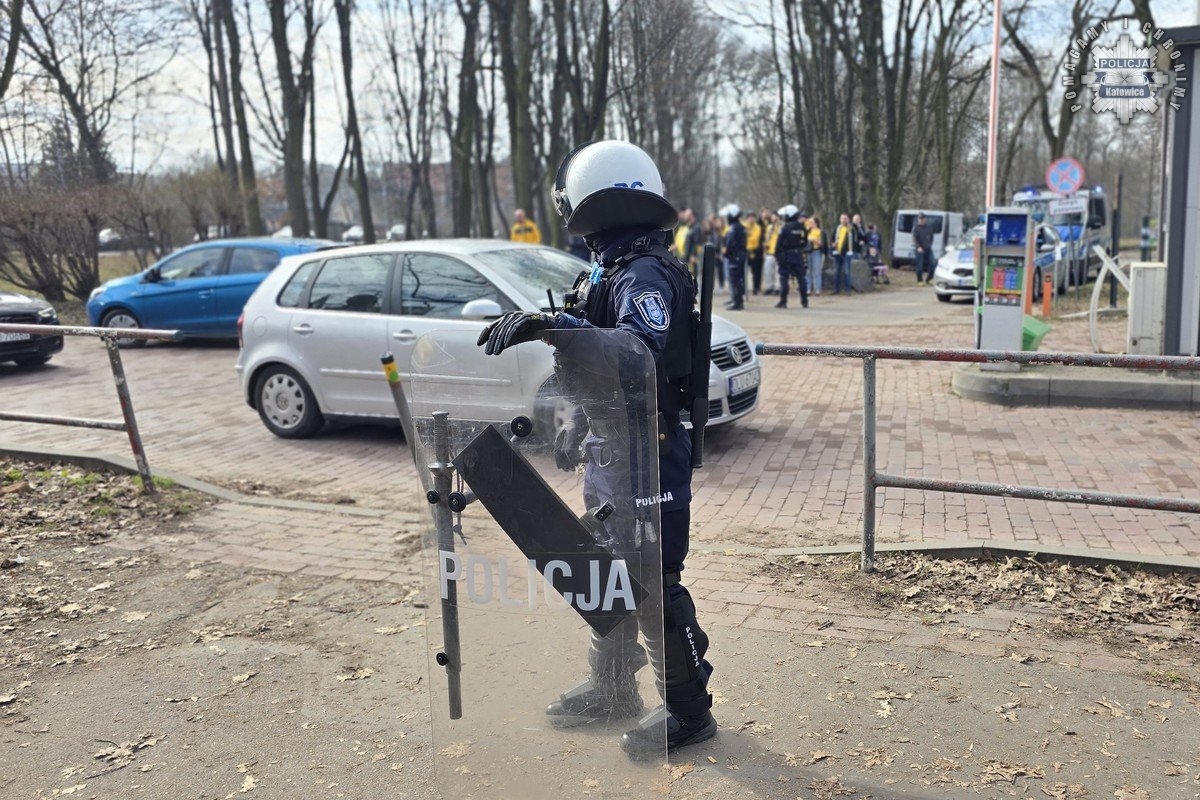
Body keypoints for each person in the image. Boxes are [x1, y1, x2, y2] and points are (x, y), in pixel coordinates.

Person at [476, 139, 716, 759]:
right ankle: (613, 690)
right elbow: (589, 368)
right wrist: (569, 421)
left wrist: (554, 325)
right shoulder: (611, 269)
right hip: (614, 451)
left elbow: (637, 351)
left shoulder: (646, 273)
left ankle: (689, 712)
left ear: (590, 198)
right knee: (597, 569)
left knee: (651, 585)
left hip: (648, 454)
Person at [774, 204, 808, 309]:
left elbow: (778, 243)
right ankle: (804, 301)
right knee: (801, 279)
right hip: (798, 255)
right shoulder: (801, 227)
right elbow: (805, 242)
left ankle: (783, 301)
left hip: (786, 256)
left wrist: (778, 256)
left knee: (784, 278)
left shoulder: (785, 227)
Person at [722, 204, 747, 310]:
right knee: (738, 279)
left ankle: (737, 303)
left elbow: (730, 243)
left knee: (735, 280)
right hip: (739, 256)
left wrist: (726, 253)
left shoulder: (734, 228)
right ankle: (736, 300)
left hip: (735, 257)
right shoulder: (740, 226)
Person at [832, 213, 855, 294]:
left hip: (847, 253)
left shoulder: (851, 229)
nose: (843, 220)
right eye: (842, 218)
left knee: (847, 271)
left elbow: (854, 240)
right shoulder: (837, 228)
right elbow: (833, 238)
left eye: (845, 218)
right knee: (836, 271)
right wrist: (833, 244)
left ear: (848, 219)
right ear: (840, 219)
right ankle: (836, 289)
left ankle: (847, 289)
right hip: (838, 252)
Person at [744, 210, 763, 296]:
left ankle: (756, 287)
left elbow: (755, 239)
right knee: (744, 270)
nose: (751, 219)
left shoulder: (758, 228)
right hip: (745, 251)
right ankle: (744, 288)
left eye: (753, 217)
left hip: (755, 251)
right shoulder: (744, 226)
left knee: (756, 271)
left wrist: (748, 237)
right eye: (749, 217)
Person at [913, 212, 934, 285]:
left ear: (925, 219)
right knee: (919, 265)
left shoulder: (929, 227)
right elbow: (914, 239)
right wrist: (918, 247)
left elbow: (931, 237)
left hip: (928, 248)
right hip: (920, 249)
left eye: (922, 218)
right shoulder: (916, 228)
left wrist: (930, 244)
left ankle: (929, 279)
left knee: (933, 263)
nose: (921, 220)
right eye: (920, 219)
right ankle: (920, 280)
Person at [762, 210, 780, 295]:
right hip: (769, 252)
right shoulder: (769, 228)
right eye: (772, 216)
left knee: (778, 271)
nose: (773, 218)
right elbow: (766, 240)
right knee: (768, 271)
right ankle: (769, 287)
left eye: (775, 216)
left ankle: (777, 288)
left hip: (778, 252)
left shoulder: (781, 227)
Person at [806, 215, 826, 296]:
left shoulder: (820, 231)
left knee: (817, 271)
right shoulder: (807, 231)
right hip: (808, 252)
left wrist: (814, 240)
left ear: (815, 223)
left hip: (816, 251)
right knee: (808, 271)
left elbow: (822, 243)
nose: (810, 223)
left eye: (811, 222)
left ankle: (817, 289)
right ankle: (808, 289)